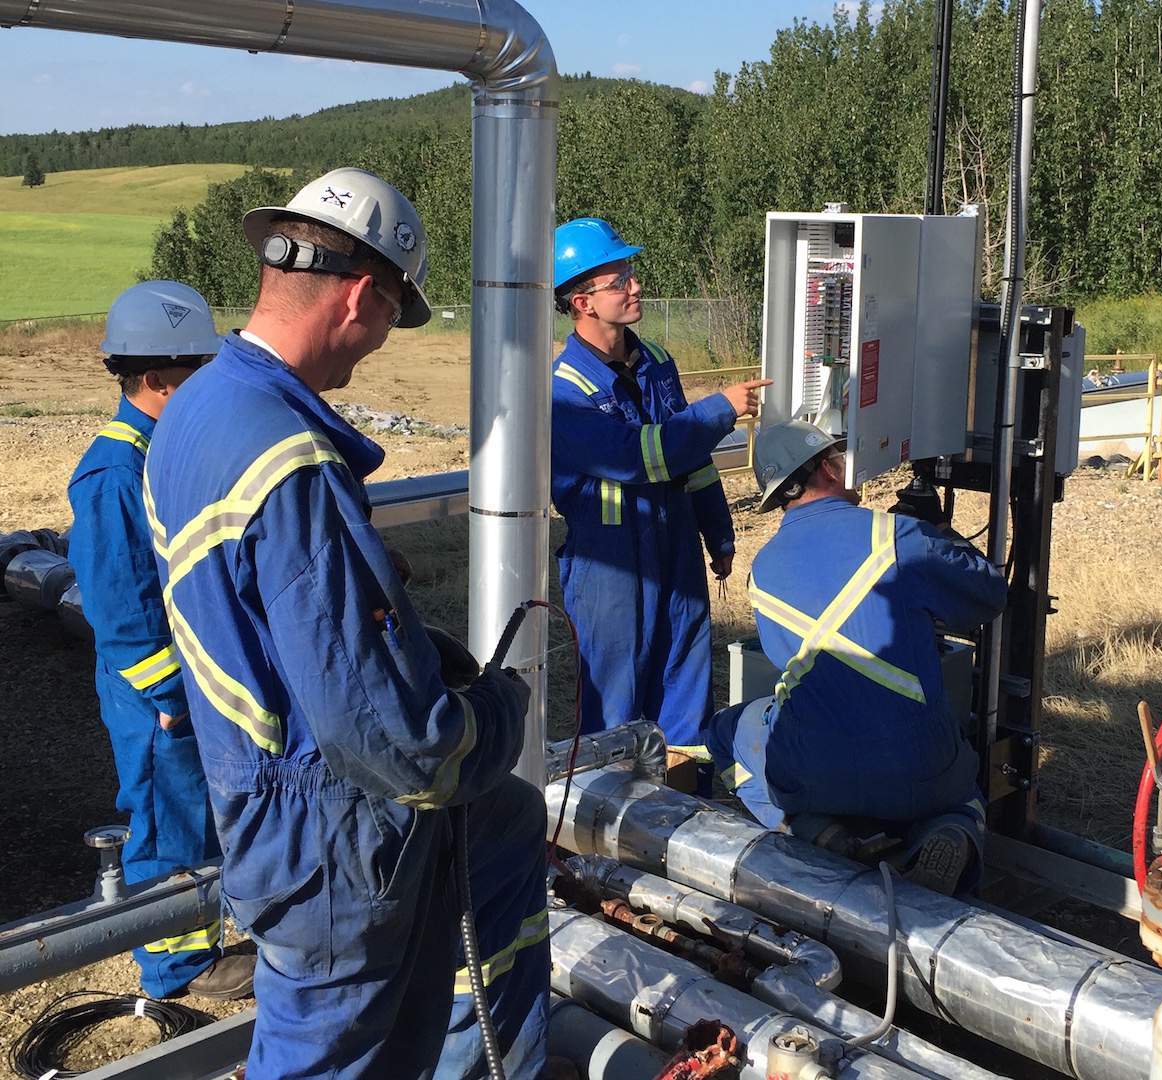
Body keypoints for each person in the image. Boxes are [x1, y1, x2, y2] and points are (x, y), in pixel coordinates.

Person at [143, 168, 547, 1078]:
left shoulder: (201, 408)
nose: (374, 351)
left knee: (507, 824)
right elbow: (400, 744)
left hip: (273, 802)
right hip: (331, 838)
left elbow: (258, 605)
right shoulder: (289, 459)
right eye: (389, 321)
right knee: (332, 1058)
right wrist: (499, 714)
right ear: (362, 295)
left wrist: (375, 607)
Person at [707, 420, 1008, 894]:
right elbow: (990, 595)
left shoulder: (761, 568)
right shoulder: (897, 538)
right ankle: (952, 832)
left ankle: (813, 831)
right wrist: (939, 531)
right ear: (828, 467)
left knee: (726, 733)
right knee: (962, 793)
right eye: (841, 457)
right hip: (918, 769)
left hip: (813, 771)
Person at [66, 281, 256, 1001]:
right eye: (194, 377)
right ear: (154, 380)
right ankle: (178, 965)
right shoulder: (113, 473)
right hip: (156, 694)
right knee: (164, 819)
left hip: (186, 682)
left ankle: (200, 931)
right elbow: (122, 610)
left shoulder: (159, 450)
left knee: (194, 812)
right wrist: (171, 695)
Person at [549, 217, 769, 756]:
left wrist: (718, 534)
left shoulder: (656, 364)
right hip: (610, 568)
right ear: (583, 301)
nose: (635, 285)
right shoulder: (565, 390)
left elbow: (692, 463)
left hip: (675, 551)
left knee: (687, 684)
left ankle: (685, 810)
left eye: (630, 273)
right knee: (616, 704)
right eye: (619, 279)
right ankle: (607, 828)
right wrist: (720, 409)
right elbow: (638, 458)